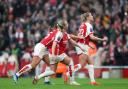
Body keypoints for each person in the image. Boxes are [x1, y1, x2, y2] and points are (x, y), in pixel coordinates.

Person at [32, 19, 85, 85]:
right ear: (64, 26)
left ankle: (38, 77)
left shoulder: (64, 33)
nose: (68, 24)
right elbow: (54, 44)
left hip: (55, 54)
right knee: (70, 62)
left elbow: (72, 40)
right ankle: (72, 81)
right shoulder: (59, 34)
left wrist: (80, 47)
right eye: (66, 24)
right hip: (57, 54)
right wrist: (54, 54)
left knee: (53, 71)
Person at [70, 12, 107, 85]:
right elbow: (91, 37)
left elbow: (82, 37)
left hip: (81, 45)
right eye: (91, 15)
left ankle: (93, 81)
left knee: (90, 63)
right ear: (87, 17)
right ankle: (68, 72)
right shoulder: (89, 25)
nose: (92, 16)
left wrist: (88, 45)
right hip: (82, 45)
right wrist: (102, 40)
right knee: (82, 64)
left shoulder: (82, 25)